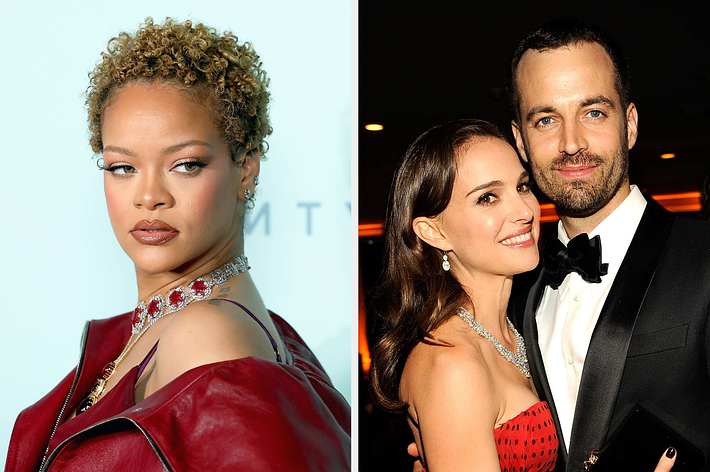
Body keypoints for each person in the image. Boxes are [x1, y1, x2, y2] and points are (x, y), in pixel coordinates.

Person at [4, 18, 350, 472]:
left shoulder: (207, 335)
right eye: (122, 167)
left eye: (184, 164)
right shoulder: (173, 323)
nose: (149, 196)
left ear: (246, 168)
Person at [506, 18, 710, 471]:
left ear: (630, 125)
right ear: (520, 141)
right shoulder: (513, 292)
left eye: (593, 112)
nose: (571, 143)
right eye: (545, 120)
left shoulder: (703, 257)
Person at [369, 118, 561, 471]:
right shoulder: (452, 364)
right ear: (433, 232)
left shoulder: (519, 328)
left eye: (522, 186)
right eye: (488, 198)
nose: (524, 211)